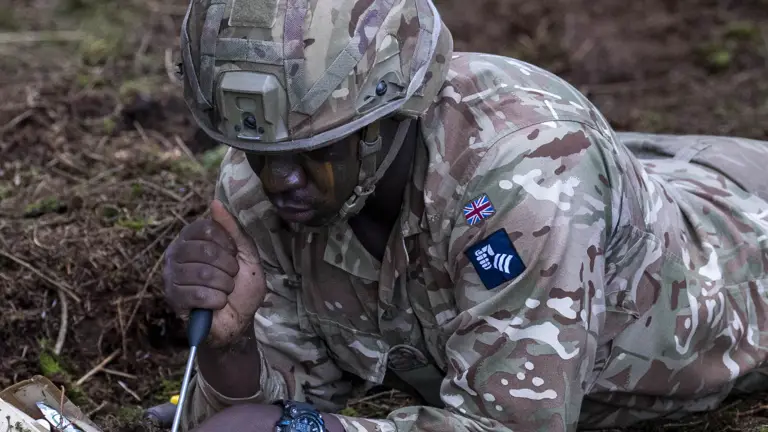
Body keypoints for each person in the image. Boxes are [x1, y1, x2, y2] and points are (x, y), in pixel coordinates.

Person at [161, 0, 768, 431]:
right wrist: (229, 348)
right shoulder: (260, 183)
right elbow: (277, 399)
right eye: (258, 152)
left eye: (315, 149)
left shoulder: (527, 174)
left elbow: (512, 424)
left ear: (385, 118)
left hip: (744, 257)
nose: (278, 180)